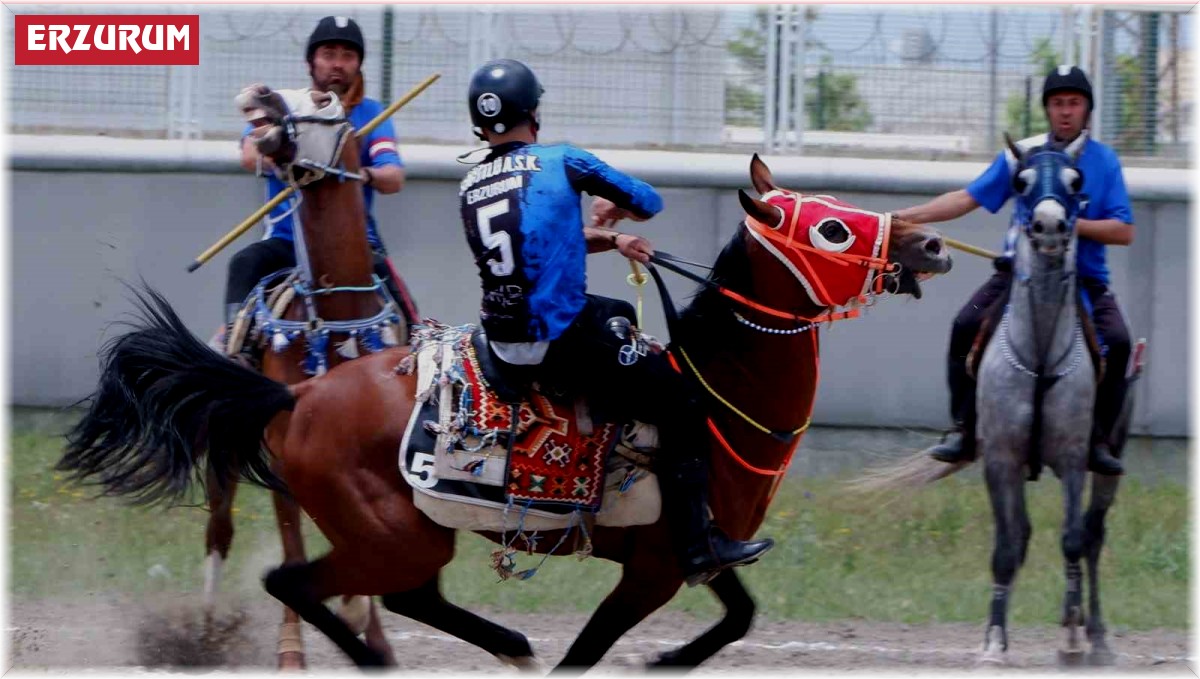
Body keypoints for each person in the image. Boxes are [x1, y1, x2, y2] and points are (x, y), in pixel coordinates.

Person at [458, 58, 774, 585]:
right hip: (560, 340)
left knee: (618, 313)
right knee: (684, 403)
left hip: (502, 343)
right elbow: (649, 201)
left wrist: (607, 239)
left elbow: (533, 245)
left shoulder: (470, 182)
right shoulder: (563, 160)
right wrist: (614, 211)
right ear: (534, 112)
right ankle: (699, 547)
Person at [893, 65, 1133, 476]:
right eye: (1057, 103)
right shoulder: (1021, 154)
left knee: (1119, 342)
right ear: (1047, 109)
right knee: (965, 325)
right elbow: (966, 198)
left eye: (1074, 103)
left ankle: (1099, 442)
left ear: (1087, 110)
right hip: (1017, 276)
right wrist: (900, 217)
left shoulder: (1104, 161)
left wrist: (1062, 221)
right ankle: (964, 430)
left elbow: (1122, 230)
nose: (1065, 112)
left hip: (1084, 281)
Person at [224, 15, 419, 345]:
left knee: (397, 293)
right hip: (288, 242)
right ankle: (234, 349)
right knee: (244, 263)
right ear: (310, 61)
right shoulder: (288, 106)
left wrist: (359, 169)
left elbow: (394, 178)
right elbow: (248, 154)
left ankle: (415, 348)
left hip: (355, 246)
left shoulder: (372, 114)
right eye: (329, 54)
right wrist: (290, 159)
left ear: (358, 64)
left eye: (348, 56)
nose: (338, 65)